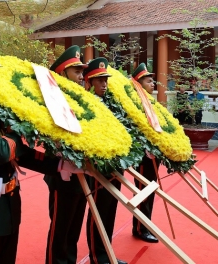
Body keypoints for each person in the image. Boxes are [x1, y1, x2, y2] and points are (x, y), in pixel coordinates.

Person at [0, 36, 83, 264]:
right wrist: (17, 134)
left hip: (9, 206)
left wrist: (59, 165)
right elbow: (0, 151)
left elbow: (21, 152)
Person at [45, 45, 89, 264]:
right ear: (62, 74)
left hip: (84, 169)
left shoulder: (82, 99)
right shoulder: (53, 101)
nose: (81, 77)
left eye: (82, 72)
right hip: (62, 171)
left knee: (75, 224)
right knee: (61, 226)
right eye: (77, 72)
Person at [83, 58, 127, 264]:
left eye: (105, 80)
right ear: (88, 82)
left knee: (110, 210)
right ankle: (97, 256)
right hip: (99, 166)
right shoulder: (86, 104)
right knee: (99, 212)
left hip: (116, 163)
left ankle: (107, 253)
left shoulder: (111, 102)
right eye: (99, 80)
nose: (104, 84)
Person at [130, 63, 160, 243]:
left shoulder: (150, 102)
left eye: (153, 81)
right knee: (143, 192)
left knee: (150, 192)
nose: (153, 84)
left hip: (153, 156)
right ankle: (141, 228)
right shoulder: (135, 104)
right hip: (143, 156)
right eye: (149, 81)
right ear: (139, 84)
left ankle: (145, 225)